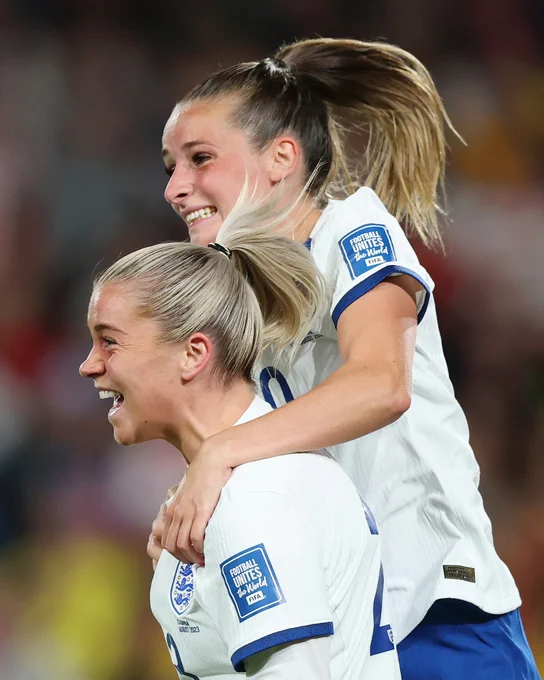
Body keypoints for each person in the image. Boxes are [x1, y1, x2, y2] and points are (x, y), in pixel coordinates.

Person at [152, 37, 541, 679]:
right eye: (169, 166)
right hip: (355, 627)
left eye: (199, 159)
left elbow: (381, 384)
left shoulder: (351, 227)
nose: (175, 187)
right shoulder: (240, 292)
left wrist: (221, 455)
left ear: (281, 158)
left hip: (442, 613)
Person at [79, 202, 401, 680]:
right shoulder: (228, 490)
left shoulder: (255, 497)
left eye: (109, 341)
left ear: (192, 354)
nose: (89, 365)